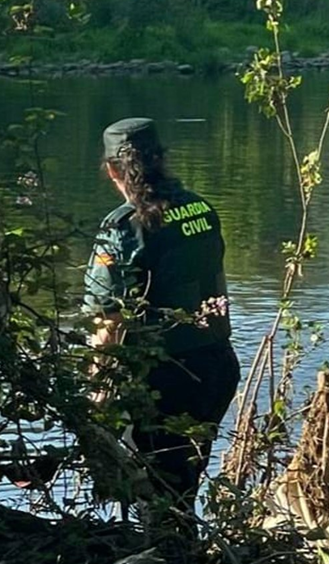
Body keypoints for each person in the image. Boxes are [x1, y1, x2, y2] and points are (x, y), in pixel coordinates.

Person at [82, 117, 240, 543]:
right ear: (162, 158)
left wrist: (97, 400)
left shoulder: (123, 227)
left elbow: (106, 322)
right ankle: (182, 549)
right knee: (182, 484)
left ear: (112, 170)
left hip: (162, 380)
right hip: (216, 367)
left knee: (156, 496)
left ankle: (167, 553)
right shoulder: (202, 209)